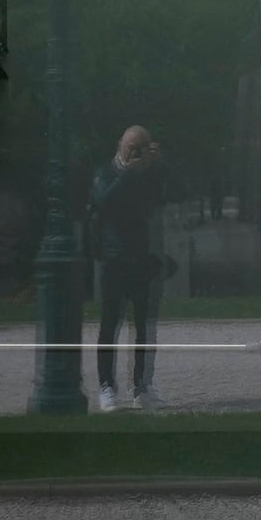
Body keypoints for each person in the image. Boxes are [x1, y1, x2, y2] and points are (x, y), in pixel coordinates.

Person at [86, 125, 165, 413]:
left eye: (142, 148)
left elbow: (175, 192)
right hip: (113, 260)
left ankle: (141, 387)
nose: (135, 153)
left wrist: (158, 165)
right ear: (120, 143)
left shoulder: (148, 174)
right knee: (110, 326)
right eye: (132, 147)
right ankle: (107, 387)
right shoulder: (104, 172)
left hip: (140, 258)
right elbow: (104, 202)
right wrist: (130, 171)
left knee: (144, 327)